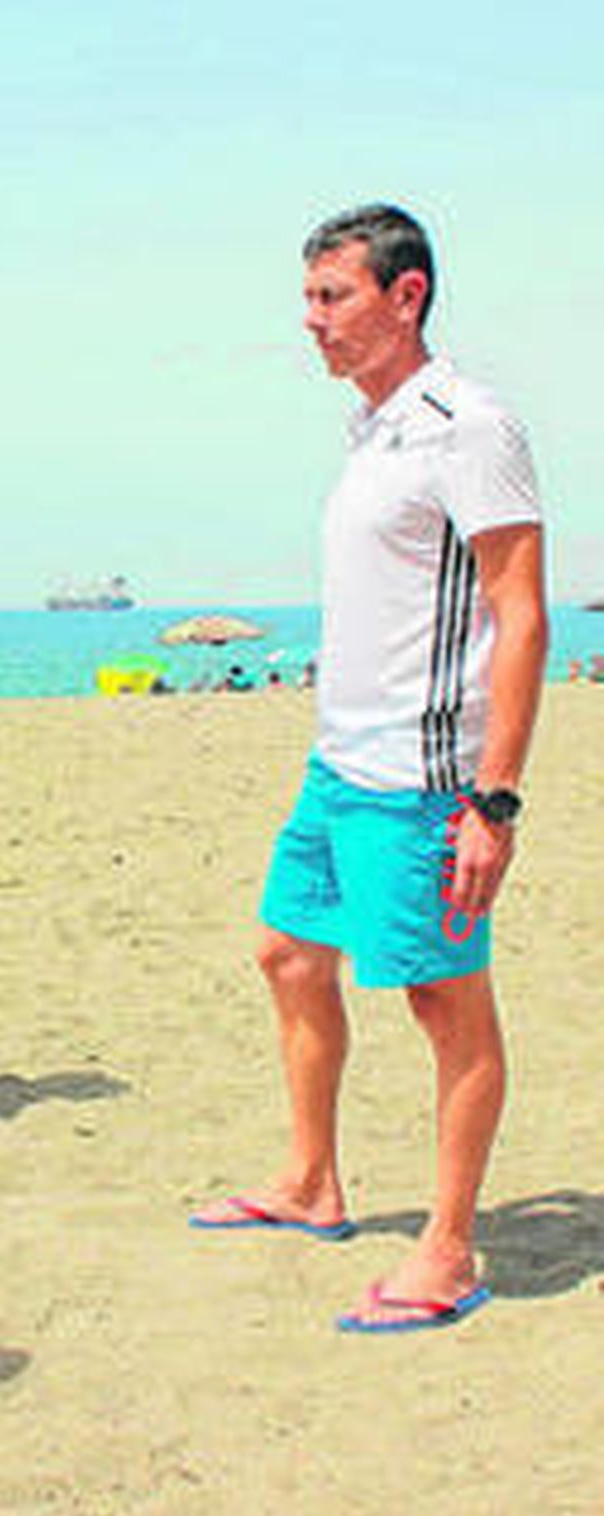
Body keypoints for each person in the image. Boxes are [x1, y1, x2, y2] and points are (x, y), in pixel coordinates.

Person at [189, 204, 547, 1334]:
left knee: (444, 1002)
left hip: (425, 781)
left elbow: (522, 615)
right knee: (289, 954)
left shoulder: (469, 426)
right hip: (337, 764)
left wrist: (491, 800)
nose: (311, 322)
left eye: (332, 297)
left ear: (407, 296)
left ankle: (447, 1248)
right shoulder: (372, 428)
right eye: (307, 298)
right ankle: (311, 1182)